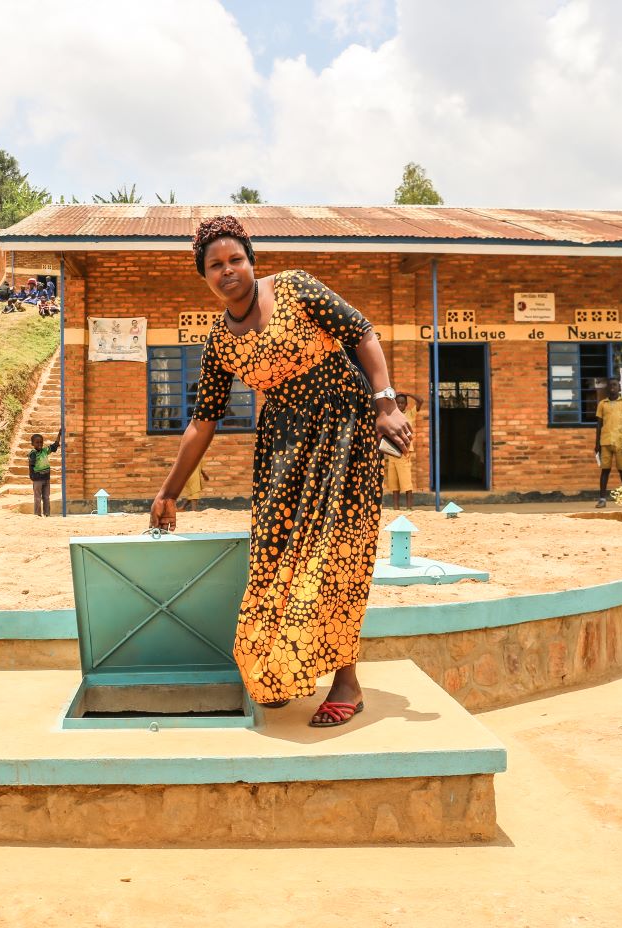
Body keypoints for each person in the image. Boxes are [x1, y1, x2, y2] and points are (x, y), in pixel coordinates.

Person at [149, 216, 411, 728]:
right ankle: (280, 667)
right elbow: (202, 422)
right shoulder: (219, 343)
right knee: (272, 552)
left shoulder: (295, 288)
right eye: (216, 266)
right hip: (284, 445)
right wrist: (168, 493)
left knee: (336, 553)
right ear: (204, 277)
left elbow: (362, 333)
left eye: (236, 260)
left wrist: (385, 403)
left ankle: (346, 683)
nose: (228, 271)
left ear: (252, 261)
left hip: (344, 425)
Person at [594, 379, 622, 508]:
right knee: (605, 470)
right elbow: (599, 425)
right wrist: (597, 444)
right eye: (610, 385)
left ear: (619, 388)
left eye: (615, 385)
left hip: (621, 442)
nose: (612, 387)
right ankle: (602, 499)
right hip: (605, 442)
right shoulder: (602, 404)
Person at [385, 392, 424, 509]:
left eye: (402, 403)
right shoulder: (390, 416)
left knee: (406, 482)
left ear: (406, 404)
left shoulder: (409, 414)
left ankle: (409, 507)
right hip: (392, 452)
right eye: (397, 403)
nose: (400, 405)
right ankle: (396, 508)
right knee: (393, 482)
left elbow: (420, 400)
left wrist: (406, 393)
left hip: (404, 453)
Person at [28, 429, 62, 517]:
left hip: (46, 478)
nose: (39, 444)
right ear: (32, 444)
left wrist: (59, 434)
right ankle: (37, 514)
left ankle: (47, 513)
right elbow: (31, 466)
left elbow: (54, 446)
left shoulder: (45, 451)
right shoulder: (33, 454)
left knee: (46, 497)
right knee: (38, 498)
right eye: (37, 442)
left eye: (41, 442)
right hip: (37, 479)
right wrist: (32, 477)